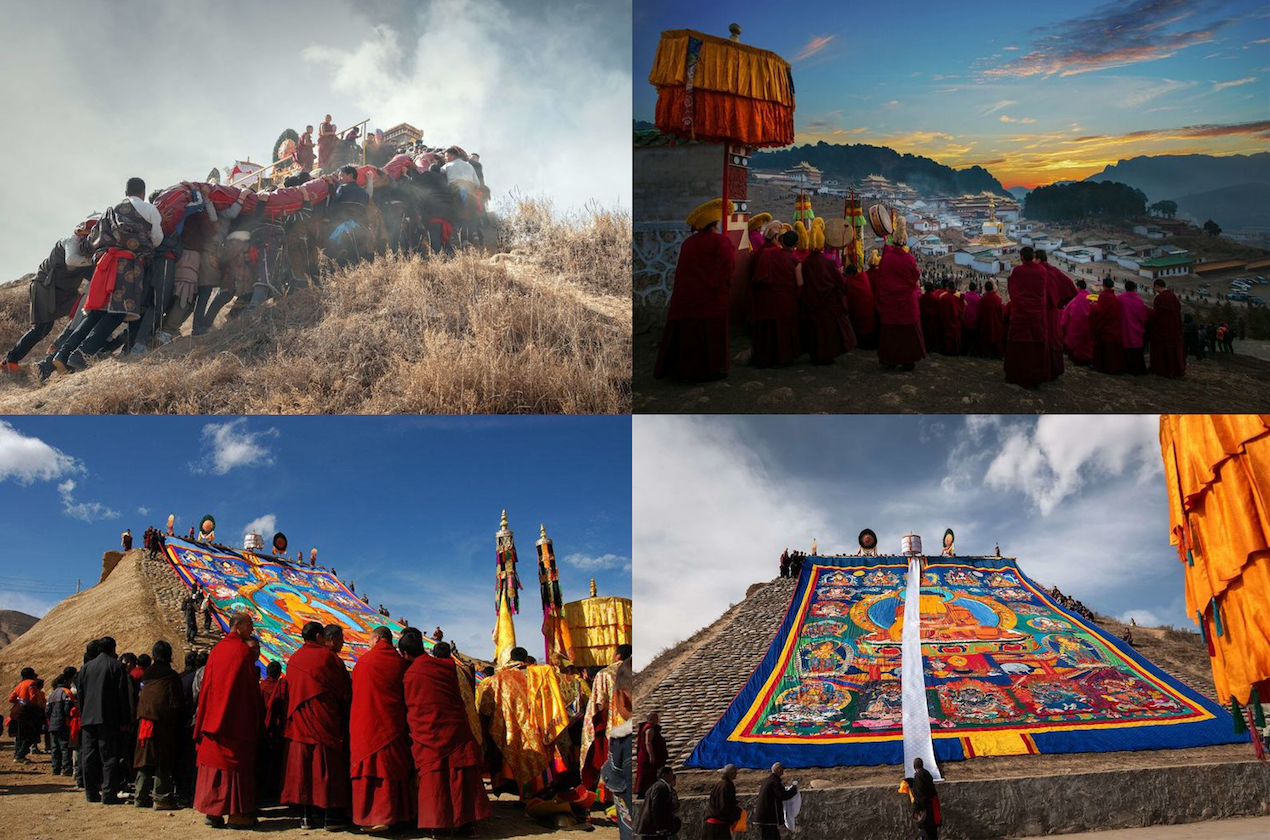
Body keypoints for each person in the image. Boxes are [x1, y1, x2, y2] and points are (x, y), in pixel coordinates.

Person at [50, 178, 162, 374]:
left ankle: (62, 354)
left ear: (126, 193)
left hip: (105, 265)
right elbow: (157, 240)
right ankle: (81, 354)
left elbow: (92, 239)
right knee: (117, 313)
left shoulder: (110, 211)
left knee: (96, 313)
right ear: (143, 193)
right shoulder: (150, 210)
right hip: (128, 267)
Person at [403, 633, 491, 834]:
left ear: (405, 653)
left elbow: (413, 705)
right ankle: (468, 824)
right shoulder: (447, 667)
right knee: (461, 772)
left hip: (429, 730)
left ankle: (438, 825)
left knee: (435, 776)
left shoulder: (411, 674)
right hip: (456, 727)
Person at [653, 199, 736, 381]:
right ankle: (709, 370)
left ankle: (682, 371)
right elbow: (727, 266)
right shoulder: (721, 241)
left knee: (688, 335)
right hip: (710, 297)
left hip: (686, 296)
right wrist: (722, 284)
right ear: (714, 225)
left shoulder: (688, 243)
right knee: (709, 335)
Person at [193, 612, 263, 828]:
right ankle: (237, 815)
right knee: (237, 767)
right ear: (238, 626)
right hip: (235, 721)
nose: (252, 630)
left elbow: (207, 687)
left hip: (212, 718)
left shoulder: (217, 650)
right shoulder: (243, 652)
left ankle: (213, 813)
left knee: (214, 765)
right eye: (249, 625)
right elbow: (249, 690)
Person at [282, 622, 353, 830]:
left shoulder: (293, 659)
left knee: (303, 767)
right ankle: (331, 816)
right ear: (320, 637)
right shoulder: (329, 658)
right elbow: (344, 689)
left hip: (299, 720)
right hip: (325, 719)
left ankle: (306, 816)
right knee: (327, 765)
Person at [3, 218, 96, 372]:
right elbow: (71, 260)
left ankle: (58, 345)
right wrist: (93, 259)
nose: (83, 238)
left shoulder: (89, 255)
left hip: (66, 293)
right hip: (46, 287)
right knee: (41, 328)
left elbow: (93, 275)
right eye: (83, 235)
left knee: (83, 311)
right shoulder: (70, 242)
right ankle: (10, 360)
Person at [349, 626, 413, 833]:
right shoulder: (401, 663)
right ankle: (395, 815)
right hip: (393, 723)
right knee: (392, 766)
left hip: (367, 724)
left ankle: (371, 816)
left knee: (370, 766)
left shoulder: (363, 662)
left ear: (376, 639)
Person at [76, 636, 133, 803]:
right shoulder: (116, 666)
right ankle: (108, 793)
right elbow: (122, 695)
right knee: (109, 756)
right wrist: (125, 719)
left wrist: (83, 714)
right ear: (113, 649)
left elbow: (81, 696)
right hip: (109, 718)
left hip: (88, 718)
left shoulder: (85, 668)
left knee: (89, 756)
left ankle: (91, 793)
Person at [133, 640, 185, 810]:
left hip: (144, 721)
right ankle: (161, 798)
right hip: (163, 723)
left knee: (145, 760)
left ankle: (140, 796)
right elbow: (176, 702)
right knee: (163, 760)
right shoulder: (171, 676)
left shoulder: (146, 674)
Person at [796, 234, 856, 364]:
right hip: (828, 302)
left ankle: (815, 355)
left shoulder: (805, 263)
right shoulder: (827, 262)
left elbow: (801, 283)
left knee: (815, 331)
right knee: (827, 330)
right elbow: (839, 282)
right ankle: (826, 356)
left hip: (811, 301)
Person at [1004, 247, 1051, 388]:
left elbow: (1013, 291)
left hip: (1020, 313)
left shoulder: (1018, 271)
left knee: (1018, 343)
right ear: (1033, 257)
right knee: (1036, 342)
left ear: (1022, 257)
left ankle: (1016, 375)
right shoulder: (1041, 270)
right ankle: (1036, 375)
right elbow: (1042, 291)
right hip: (1036, 313)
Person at [874, 243, 925, 370]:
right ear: (904, 243)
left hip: (889, 300)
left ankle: (890, 360)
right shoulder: (909, 258)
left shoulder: (886, 259)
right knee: (907, 333)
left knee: (891, 332)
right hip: (907, 301)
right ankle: (907, 361)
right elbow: (916, 275)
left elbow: (881, 277)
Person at [1037, 251, 1077, 379]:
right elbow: (1070, 287)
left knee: (1043, 338)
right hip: (1052, 312)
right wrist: (1060, 302)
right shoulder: (1054, 271)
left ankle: (1042, 370)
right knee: (1053, 338)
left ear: (1038, 260)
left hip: (1042, 311)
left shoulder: (1039, 272)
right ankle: (1054, 370)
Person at [1148, 279, 1185, 378]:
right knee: (1173, 350)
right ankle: (1175, 370)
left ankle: (1162, 369)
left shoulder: (1160, 298)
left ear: (1156, 286)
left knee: (1162, 349)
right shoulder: (1173, 297)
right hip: (1174, 328)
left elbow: (1157, 315)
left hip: (1162, 329)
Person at [8, 667, 45, 762]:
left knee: (19, 735)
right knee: (31, 735)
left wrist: (20, 701)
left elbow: (11, 698)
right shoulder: (31, 683)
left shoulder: (20, 684)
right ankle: (20, 755)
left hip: (16, 712)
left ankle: (17, 754)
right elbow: (33, 698)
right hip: (26, 713)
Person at [755, 762, 799, 840]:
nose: (783, 771)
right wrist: (794, 789)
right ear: (778, 770)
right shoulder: (775, 782)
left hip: (764, 817)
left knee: (774, 837)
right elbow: (782, 795)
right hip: (768, 817)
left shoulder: (768, 780)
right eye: (782, 769)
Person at [1091, 278, 1125, 375]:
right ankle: (1113, 367)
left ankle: (1102, 367)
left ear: (1103, 285)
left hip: (1105, 327)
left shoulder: (1104, 295)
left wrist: (1093, 307)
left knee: (1103, 348)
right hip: (1113, 325)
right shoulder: (1113, 296)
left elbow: (1100, 311)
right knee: (1112, 350)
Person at [45, 673, 75, 776]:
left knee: (55, 748)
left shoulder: (52, 693)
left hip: (52, 724)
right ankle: (66, 768)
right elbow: (68, 709)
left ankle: (55, 768)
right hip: (63, 723)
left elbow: (47, 711)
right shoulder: (67, 692)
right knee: (65, 747)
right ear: (66, 681)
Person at [702, 764, 742, 839]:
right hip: (717, 826)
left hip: (716, 825)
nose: (736, 774)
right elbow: (723, 806)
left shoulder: (722, 784)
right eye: (735, 772)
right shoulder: (724, 786)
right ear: (731, 773)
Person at [1119, 279, 1150, 375]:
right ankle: (1138, 369)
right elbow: (1143, 316)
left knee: (1125, 349)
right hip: (1136, 328)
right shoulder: (1138, 300)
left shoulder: (1120, 298)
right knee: (1137, 351)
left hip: (1124, 327)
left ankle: (1126, 368)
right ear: (1134, 288)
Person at [634, 710, 667, 798]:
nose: (658, 720)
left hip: (648, 755)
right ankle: (643, 792)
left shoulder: (650, 727)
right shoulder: (649, 729)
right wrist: (651, 756)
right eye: (656, 718)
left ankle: (649, 792)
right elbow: (648, 743)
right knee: (647, 775)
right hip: (647, 756)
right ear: (651, 719)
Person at [1061, 279, 1094, 366]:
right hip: (1088, 328)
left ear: (1078, 287)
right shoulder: (1091, 297)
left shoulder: (1075, 299)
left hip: (1075, 328)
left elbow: (1065, 315)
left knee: (1075, 345)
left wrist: (1063, 327)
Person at [844, 264, 877, 350]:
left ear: (850, 274)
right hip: (870, 305)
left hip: (860, 309)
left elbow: (848, 297)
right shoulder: (864, 276)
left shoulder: (851, 282)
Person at [907, 757, 940, 840]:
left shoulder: (919, 776)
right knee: (933, 833)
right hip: (932, 808)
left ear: (914, 767)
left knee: (927, 833)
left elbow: (920, 794)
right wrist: (911, 782)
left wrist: (915, 807)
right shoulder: (926, 774)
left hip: (926, 810)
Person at [976, 280, 1005, 358]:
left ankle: (985, 353)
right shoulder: (997, 298)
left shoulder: (983, 299)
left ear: (985, 289)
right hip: (996, 323)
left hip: (985, 323)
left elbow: (979, 312)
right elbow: (1001, 312)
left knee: (985, 339)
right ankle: (996, 353)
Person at [936, 280, 965, 355]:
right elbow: (962, 309)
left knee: (947, 337)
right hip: (956, 321)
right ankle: (956, 351)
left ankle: (946, 351)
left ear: (947, 288)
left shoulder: (943, 297)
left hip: (946, 321)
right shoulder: (958, 298)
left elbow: (940, 310)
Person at [919, 282, 942, 353]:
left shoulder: (922, 298)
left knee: (925, 334)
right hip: (932, 320)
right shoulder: (934, 298)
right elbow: (938, 310)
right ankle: (931, 348)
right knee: (932, 335)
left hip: (924, 319)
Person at [961, 280, 981, 356]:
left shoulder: (965, 296)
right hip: (975, 322)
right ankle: (972, 352)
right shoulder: (978, 298)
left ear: (969, 288)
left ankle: (964, 351)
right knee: (972, 339)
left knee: (965, 338)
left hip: (966, 321)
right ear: (975, 288)